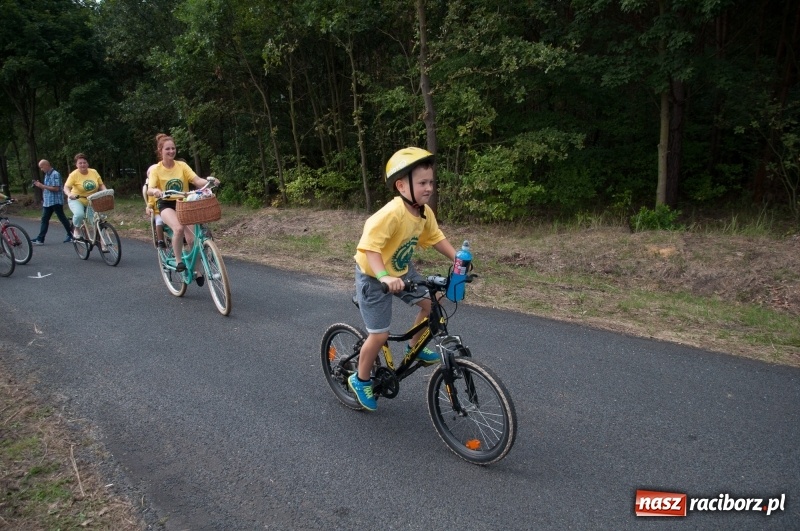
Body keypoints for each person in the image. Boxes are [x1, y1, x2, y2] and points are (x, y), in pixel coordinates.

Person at [349, 147, 457, 411]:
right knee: (379, 335)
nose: (428, 187)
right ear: (401, 185)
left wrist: (458, 260)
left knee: (433, 302)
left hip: (400, 270)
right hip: (374, 276)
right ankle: (360, 379)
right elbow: (370, 248)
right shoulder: (392, 213)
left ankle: (414, 346)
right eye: (422, 183)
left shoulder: (423, 212)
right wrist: (384, 276)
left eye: (430, 182)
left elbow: (436, 238)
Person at [146, 133, 216, 282]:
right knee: (178, 229)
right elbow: (150, 188)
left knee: (192, 239)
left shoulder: (182, 166)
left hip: (183, 203)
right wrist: (156, 191)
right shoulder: (156, 170)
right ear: (160, 151)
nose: (171, 151)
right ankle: (179, 261)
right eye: (167, 149)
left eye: (173, 148)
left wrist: (209, 182)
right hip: (166, 204)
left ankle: (197, 270)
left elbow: (196, 180)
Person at [64, 153, 107, 240]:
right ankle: (76, 229)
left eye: (84, 162)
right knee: (79, 214)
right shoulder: (73, 175)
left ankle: (102, 242)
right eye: (80, 163)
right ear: (76, 165)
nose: (82, 165)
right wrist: (69, 194)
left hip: (91, 200)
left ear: (87, 164)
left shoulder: (94, 172)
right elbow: (66, 187)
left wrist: (105, 191)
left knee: (97, 221)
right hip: (77, 199)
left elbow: (101, 184)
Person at [31, 160, 73, 244]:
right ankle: (40, 239)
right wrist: (39, 185)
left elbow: (56, 188)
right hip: (48, 201)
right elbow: (47, 188)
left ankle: (71, 235)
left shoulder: (55, 174)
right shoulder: (47, 174)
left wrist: (43, 186)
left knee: (62, 218)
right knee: (44, 219)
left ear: (46, 165)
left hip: (55, 201)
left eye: (42, 167)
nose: (41, 169)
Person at [143, 164, 165, 248]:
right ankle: (160, 240)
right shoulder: (152, 190)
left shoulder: (163, 185)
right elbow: (151, 201)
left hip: (168, 209)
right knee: (159, 221)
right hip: (158, 212)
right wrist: (149, 207)